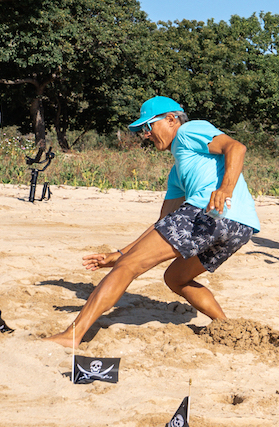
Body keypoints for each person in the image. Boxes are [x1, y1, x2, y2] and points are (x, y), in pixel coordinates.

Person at [46, 97, 260, 347]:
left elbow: (236, 147)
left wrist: (225, 189)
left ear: (171, 119)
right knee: (175, 278)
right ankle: (227, 329)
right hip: (240, 227)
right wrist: (120, 253)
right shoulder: (178, 171)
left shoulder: (188, 131)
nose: (145, 135)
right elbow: (163, 223)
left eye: (148, 126)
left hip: (210, 212)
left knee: (128, 268)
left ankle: (72, 335)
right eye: (142, 130)